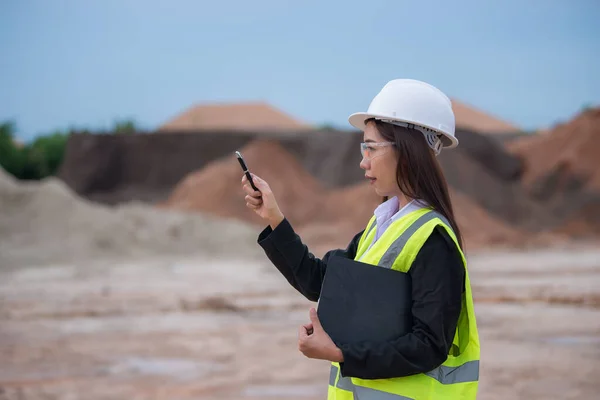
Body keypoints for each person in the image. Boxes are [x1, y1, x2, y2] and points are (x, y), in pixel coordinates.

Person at [240, 79, 480, 400]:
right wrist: (274, 217)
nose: (363, 161)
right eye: (362, 148)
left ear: (407, 150)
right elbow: (320, 282)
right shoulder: (381, 227)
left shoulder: (433, 239)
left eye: (371, 147)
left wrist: (341, 354)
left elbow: (429, 345)